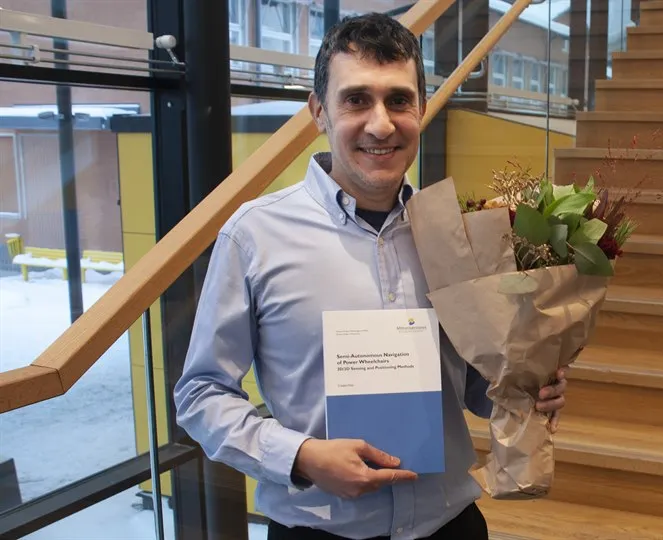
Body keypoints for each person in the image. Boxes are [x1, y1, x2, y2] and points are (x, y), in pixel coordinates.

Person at [172, 12, 568, 540]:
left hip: (448, 525)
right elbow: (201, 393)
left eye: (399, 100)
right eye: (356, 99)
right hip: (318, 531)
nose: (381, 124)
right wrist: (302, 456)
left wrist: (524, 382)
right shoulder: (255, 236)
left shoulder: (461, 233)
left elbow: (474, 385)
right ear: (319, 111)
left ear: (421, 110)